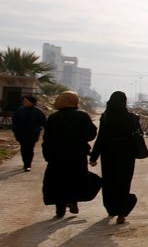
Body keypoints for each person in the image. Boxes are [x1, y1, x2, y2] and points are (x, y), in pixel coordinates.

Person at [42, 90, 98, 218]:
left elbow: (47, 139)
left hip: (57, 155)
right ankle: (73, 201)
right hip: (77, 154)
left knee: (58, 181)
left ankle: (60, 208)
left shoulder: (53, 118)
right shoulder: (82, 116)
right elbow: (91, 134)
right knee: (75, 179)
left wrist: (47, 155)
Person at [90, 91, 139, 224]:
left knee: (109, 182)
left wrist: (94, 157)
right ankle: (122, 213)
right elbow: (137, 136)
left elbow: (101, 138)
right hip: (127, 155)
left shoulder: (106, 116)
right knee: (124, 182)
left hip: (109, 154)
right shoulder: (132, 117)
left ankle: (111, 209)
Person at [12, 95, 46, 172]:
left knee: (30, 149)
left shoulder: (38, 112)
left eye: (26, 101)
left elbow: (43, 123)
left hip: (32, 134)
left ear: (32, 102)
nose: (24, 102)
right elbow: (14, 120)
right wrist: (15, 130)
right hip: (21, 133)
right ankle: (25, 162)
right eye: (24, 101)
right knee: (23, 149)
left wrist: (38, 128)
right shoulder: (20, 110)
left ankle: (28, 165)